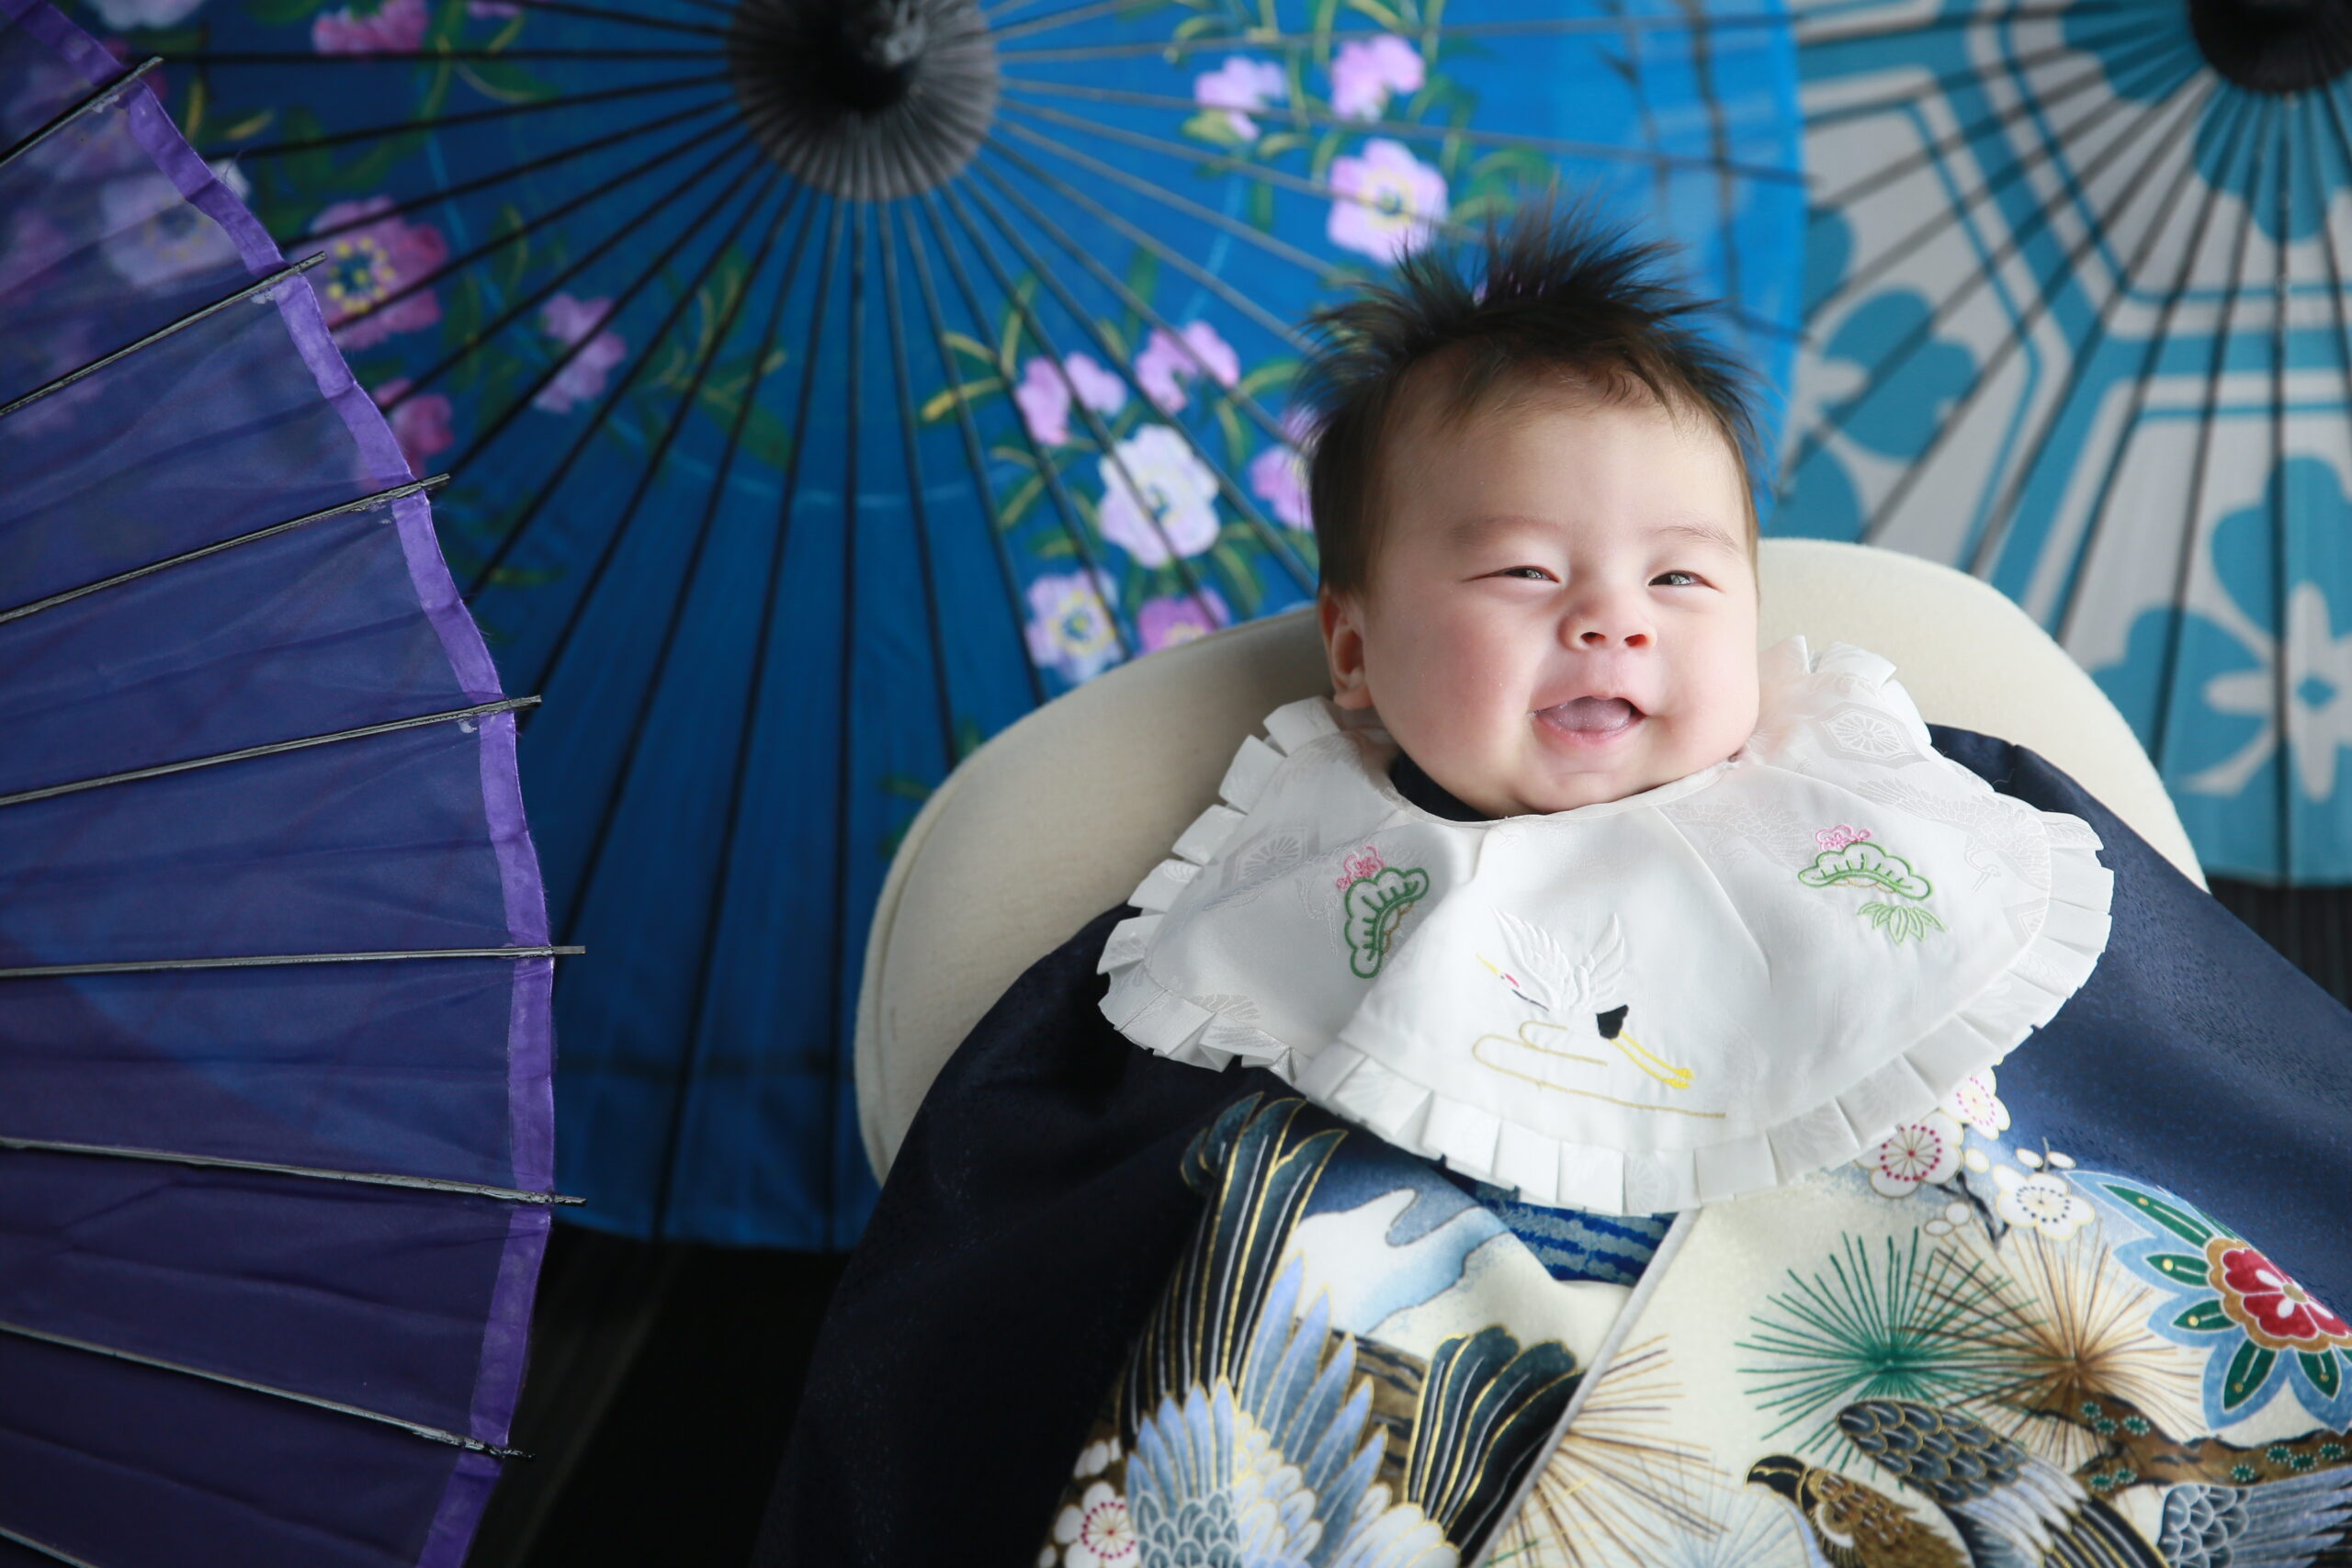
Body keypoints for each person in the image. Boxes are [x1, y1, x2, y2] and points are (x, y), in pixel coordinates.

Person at [754, 200, 2352, 1568]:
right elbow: (1069, 1209)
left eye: (1681, 575)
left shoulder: (1877, 806)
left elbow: (2165, 1061)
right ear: (1355, 650)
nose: (1612, 619)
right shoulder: (1301, 898)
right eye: (1525, 571)